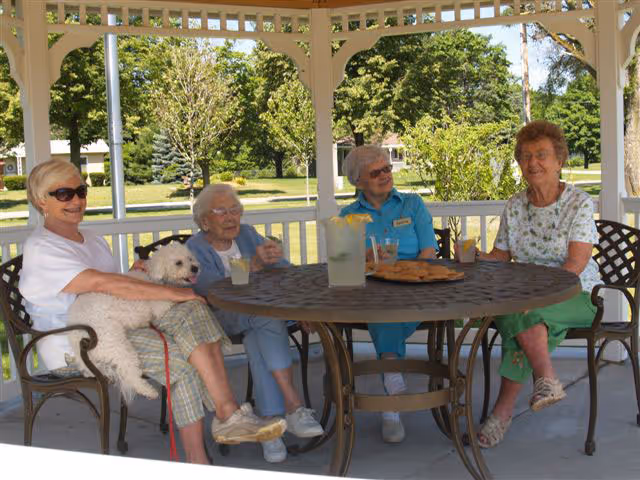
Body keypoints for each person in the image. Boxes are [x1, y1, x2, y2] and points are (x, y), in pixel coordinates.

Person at [18, 159, 286, 464]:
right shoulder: (43, 248)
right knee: (184, 361)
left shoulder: (90, 238)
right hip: (77, 341)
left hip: (117, 322)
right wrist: (170, 291)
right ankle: (205, 452)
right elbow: (101, 283)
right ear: (41, 201)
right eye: (64, 193)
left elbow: (113, 283)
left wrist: (135, 273)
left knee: (193, 311)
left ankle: (227, 413)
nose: (77, 200)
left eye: (81, 190)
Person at [463, 120, 601, 448]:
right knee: (523, 314)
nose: (532, 162)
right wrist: (475, 256)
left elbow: (575, 265)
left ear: (559, 159)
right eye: (525, 156)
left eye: (541, 154)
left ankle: (504, 411)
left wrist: (537, 297)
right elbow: (501, 255)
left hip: (576, 293)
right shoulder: (515, 205)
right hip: (526, 296)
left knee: (520, 313)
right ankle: (546, 380)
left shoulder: (579, 203)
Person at [187, 184, 324, 464]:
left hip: (258, 318)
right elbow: (210, 288)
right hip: (220, 319)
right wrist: (254, 266)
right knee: (265, 316)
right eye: (222, 211)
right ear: (204, 221)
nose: (231, 217)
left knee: (259, 333)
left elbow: (282, 266)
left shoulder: (248, 234)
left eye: (235, 210)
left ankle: (270, 428)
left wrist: (302, 303)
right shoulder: (195, 247)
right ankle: (293, 404)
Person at [340, 145, 439, 443]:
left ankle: (390, 385)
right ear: (358, 182)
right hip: (372, 288)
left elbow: (428, 250)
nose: (385, 175)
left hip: (415, 284)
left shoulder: (412, 204)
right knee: (381, 307)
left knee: (386, 312)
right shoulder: (349, 215)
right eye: (376, 172)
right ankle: (391, 394)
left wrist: (409, 274)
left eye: (387, 169)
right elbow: (345, 262)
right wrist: (366, 259)